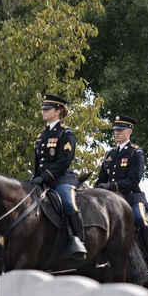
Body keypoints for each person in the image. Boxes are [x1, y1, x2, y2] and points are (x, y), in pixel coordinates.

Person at [94, 114, 148, 274]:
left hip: (131, 197)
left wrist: (110, 186)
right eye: (115, 130)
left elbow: (133, 180)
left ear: (129, 131)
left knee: (141, 220)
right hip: (111, 200)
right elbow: (101, 179)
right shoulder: (109, 155)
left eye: (121, 130)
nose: (117, 133)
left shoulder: (135, 153)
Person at [29, 93, 86, 260]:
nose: (44, 111)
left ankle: (78, 240)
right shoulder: (41, 135)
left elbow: (64, 161)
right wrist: (35, 178)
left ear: (59, 111)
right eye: (43, 108)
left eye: (48, 109)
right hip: (41, 179)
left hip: (60, 179)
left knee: (69, 204)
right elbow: (37, 162)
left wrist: (45, 177)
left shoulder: (65, 133)